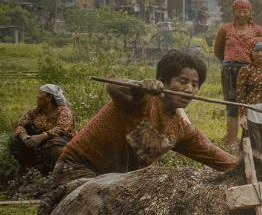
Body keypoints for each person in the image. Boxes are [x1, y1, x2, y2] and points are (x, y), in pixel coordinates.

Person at [50, 50, 237, 187]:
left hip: (113, 185)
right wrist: (139, 86)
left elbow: (219, 158)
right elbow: (113, 87)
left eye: (195, 85)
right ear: (163, 82)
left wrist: (251, 166)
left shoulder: (181, 130)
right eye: (183, 81)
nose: (189, 90)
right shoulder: (140, 99)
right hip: (77, 170)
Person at [212, 0, 262, 147]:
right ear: (233, 12)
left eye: (245, 11)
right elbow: (218, 50)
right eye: (238, 11)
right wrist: (229, 61)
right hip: (229, 70)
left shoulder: (257, 30)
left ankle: (249, 139)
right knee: (232, 105)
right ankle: (232, 141)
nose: (242, 14)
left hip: (249, 70)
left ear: (250, 13)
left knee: (250, 104)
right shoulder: (225, 29)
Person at [9, 83, 76, 175]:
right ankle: (28, 167)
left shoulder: (64, 111)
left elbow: (61, 128)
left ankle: (58, 169)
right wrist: (23, 136)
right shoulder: (33, 112)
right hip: (40, 144)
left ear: (49, 98)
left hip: (61, 142)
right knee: (14, 139)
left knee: (55, 147)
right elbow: (19, 125)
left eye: (40, 94)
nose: (37, 97)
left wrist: (41, 137)